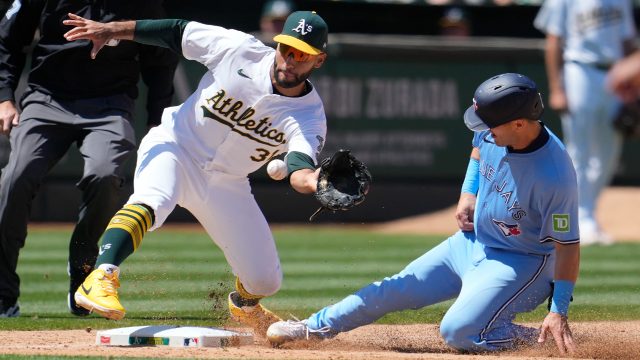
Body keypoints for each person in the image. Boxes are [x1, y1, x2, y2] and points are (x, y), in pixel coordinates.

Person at [267, 73, 581, 355]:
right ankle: (313, 327)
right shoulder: (497, 127)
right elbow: (478, 148)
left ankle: (538, 339)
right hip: (470, 243)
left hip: (522, 263)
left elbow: (568, 246)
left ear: (519, 123)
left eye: (490, 125)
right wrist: (468, 193)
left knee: (459, 333)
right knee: (393, 288)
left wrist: (558, 310)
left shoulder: (554, 176)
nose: (484, 130)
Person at [62, 10, 329, 336]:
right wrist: (110, 29)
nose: (291, 60)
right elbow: (177, 31)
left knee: (265, 280)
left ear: (319, 60)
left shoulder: (309, 115)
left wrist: (317, 181)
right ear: (277, 45)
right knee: (153, 201)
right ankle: (102, 276)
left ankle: (244, 306)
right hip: (176, 147)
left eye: (303, 55)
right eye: (287, 48)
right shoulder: (238, 49)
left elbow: (300, 170)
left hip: (226, 183)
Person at [0, 1, 178, 318]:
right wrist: (4, 97)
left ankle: (84, 268)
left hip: (110, 104)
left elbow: (161, 58)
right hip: (46, 99)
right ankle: (3, 295)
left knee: (105, 176)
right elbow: (7, 40)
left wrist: (156, 121)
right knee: (14, 179)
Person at [534, 0, 636, 245]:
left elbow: (628, 42)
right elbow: (553, 42)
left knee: (609, 151)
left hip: (615, 73)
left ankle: (588, 215)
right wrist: (557, 88)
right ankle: (578, 217)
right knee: (579, 150)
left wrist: (632, 86)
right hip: (580, 69)